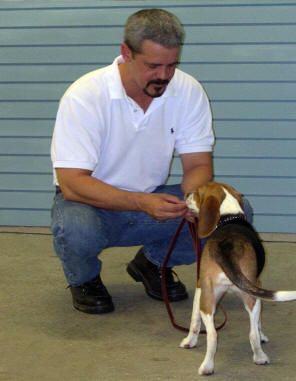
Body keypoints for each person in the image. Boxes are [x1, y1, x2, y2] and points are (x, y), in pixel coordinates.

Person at [51, 8, 251, 314]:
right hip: (92, 204)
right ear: (126, 53)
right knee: (77, 227)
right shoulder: (85, 96)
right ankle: (85, 279)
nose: (164, 76)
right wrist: (141, 203)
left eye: (172, 65)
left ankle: (153, 263)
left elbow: (198, 165)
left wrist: (191, 199)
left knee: (233, 211)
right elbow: (72, 184)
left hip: (152, 197)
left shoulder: (187, 90)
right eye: (153, 65)